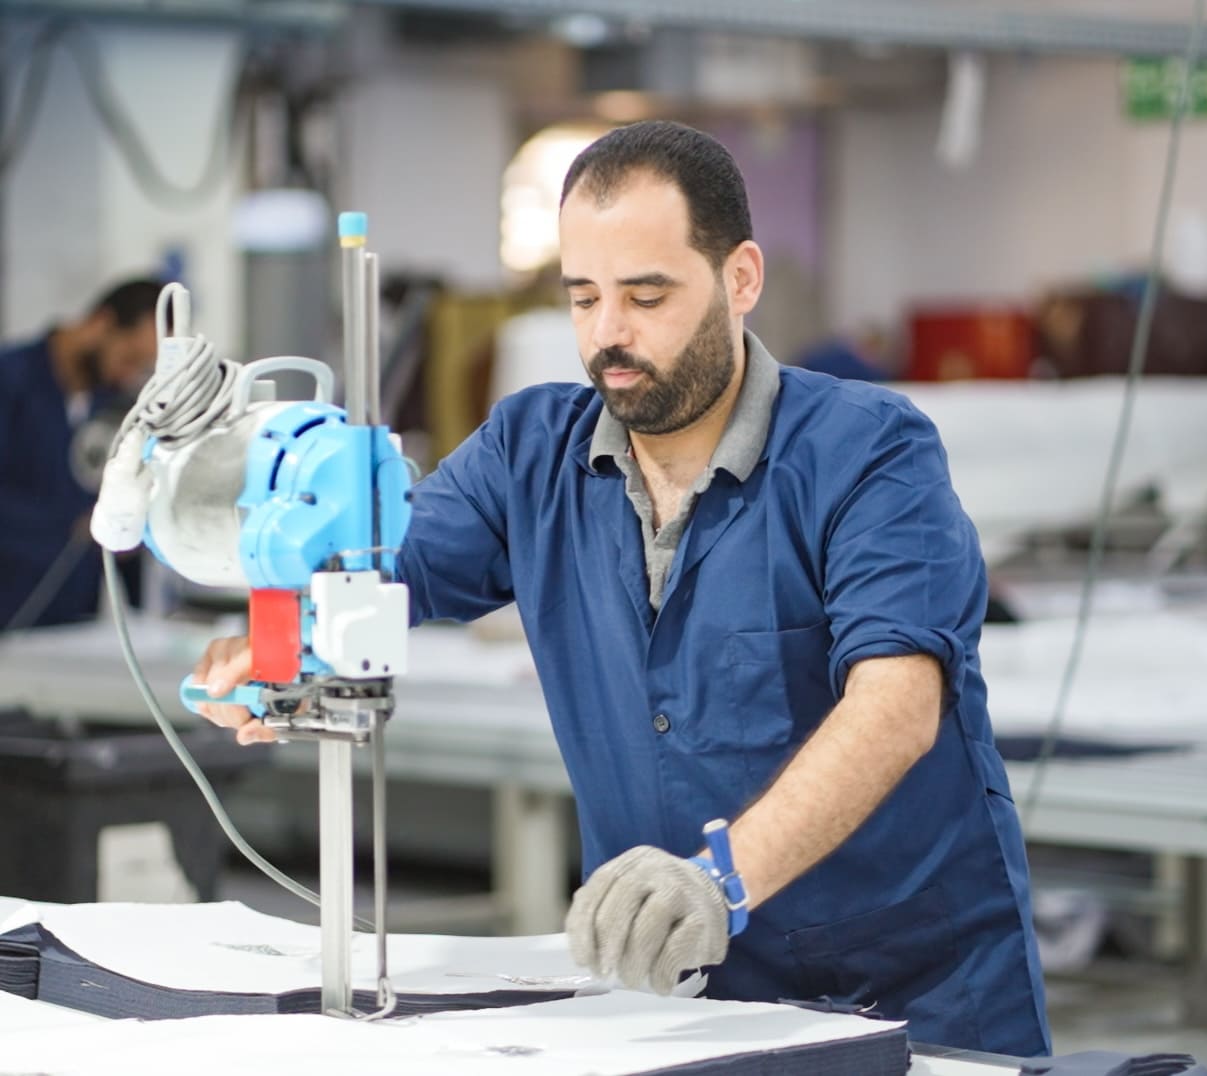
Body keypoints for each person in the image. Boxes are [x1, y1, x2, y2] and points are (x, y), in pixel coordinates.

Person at [192, 121, 1050, 1055]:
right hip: (667, 998)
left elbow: (897, 707)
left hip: (908, 992)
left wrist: (721, 880)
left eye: (647, 295)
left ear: (741, 279)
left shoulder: (868, 451)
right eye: (584, 297)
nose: (609, 335)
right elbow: (383, 567)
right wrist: (287, 642)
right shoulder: (530, 455)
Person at [0, 278, 163, 630]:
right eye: (129, 358)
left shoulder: (110, 403)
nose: (129, 375)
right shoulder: (11, 381)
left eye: (142, 367)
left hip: (73, 622)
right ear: (101, 323)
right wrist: (70, 524)